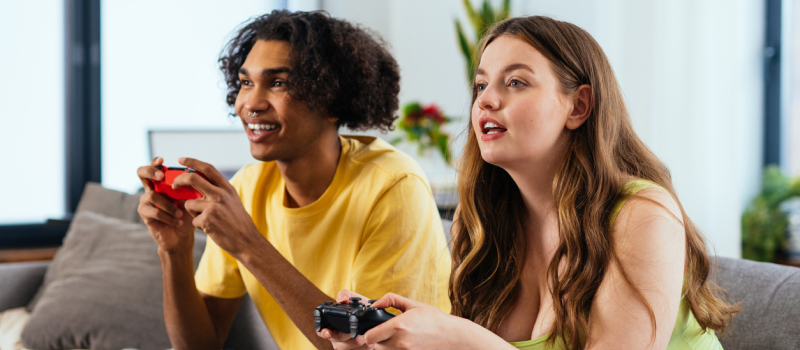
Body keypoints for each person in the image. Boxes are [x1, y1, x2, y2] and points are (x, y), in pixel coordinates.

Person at [321, 16, 739, 350]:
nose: (485, 99)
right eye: (481, 85)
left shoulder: (642, 215)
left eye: (516, 82)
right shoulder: (485, 219)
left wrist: (463, 340)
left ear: (578, 106)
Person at [136, 10, 451, 350]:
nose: (250, 104)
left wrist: (248, 244)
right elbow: (199, 344)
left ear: (331, 99)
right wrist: (175, 251)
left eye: (278, 83)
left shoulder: (394, 186)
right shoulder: (247, 187)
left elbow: (369, 347)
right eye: (245, 82)